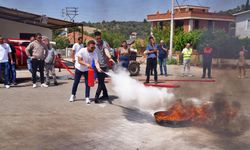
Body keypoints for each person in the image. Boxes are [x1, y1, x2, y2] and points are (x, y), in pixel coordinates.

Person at [69, 40, 102, 104]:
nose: (93, 49)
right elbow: (79, 61)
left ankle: (87, 97)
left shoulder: (94, 53)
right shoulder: (82, 51)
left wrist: (98, 68)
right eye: (92, 47)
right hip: (79, 68)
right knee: (76, 82)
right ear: (88, 46)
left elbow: (96, 62)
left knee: (88, 84)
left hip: (87, 70)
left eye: (94, 47)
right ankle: (73, 95)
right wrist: (87, 64)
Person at [94, 31, 115, 103]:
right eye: (97, 39)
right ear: (95, 38)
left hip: (103, 66)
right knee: (101, 81)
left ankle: (96, 98)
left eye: (99, 38)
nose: (99, 40)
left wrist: (109, 57)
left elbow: (106, 51)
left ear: (101, 37)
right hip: (97, 65)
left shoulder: (104, 43)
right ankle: (105, 94)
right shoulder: (93, 44)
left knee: (100, 82)